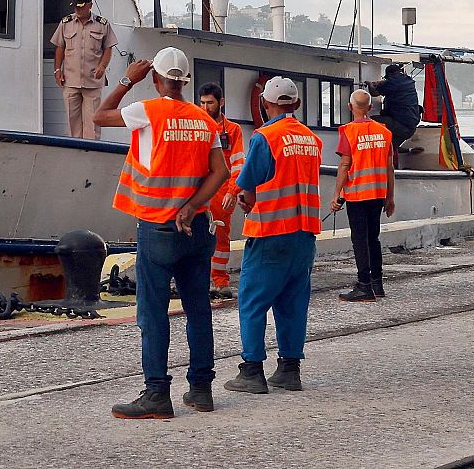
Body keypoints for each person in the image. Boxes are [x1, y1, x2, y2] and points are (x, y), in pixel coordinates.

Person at [95, 47, 229, 419]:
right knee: (198, 310)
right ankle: (201, 390)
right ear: (185, 80)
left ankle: (156, 394)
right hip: (197, 227)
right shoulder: (205, 120)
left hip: (157, 228)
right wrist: (190, 206)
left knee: (153, 315)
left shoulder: (147, 111)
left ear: (155, 79)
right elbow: (220, 173)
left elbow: (99, 115)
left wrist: (126, 81)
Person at [224, 76, 323, 395]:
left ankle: (252, 371)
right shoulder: (312, 139)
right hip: (304, 234)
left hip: (270, 232)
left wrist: (245, 196)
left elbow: (249, 179)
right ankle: (289, 370)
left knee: (252, 302)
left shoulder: (265, 137)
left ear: (265, 104)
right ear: (296, 104)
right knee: (293, 303)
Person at [331, 90, 397, 302]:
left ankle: (363, 285)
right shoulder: (384, 133)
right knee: (373, 238)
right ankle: (377, 284)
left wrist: (336, 195)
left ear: (350, 107)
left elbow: (344, 165)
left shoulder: (348, 131)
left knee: (360, 240)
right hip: (378, 193)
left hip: (358, 194)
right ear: (370, 108)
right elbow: (390, 168)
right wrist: (390, 197)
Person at [197, 83, 246, 299]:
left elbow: (238, 163)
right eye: (202, 103)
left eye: (210, 103)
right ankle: (197, 279)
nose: (206, 107)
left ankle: (219, 280)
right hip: (198, 188)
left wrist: (232, 192)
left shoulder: (233, 130)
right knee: (194, 234)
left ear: (221, 103)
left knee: (220, 236)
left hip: (222, 191)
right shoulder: (197, 126)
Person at [50, 0, 117, 139]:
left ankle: (91, 154)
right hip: (71, 80)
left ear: (90, 5)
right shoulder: (66, 23)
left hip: (92, 81)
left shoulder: (102, 24)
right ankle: (75, 153)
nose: (77, 9)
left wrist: (102, 66)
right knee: (72, 123)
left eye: (81, 6)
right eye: (75, 7)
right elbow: (60, 47)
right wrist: (57, 70)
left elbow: (108, 47)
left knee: (93, 123)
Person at [365, 63, 421, 150]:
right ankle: (407, 150)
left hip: (401, 125)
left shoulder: (392, 83)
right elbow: (391, 83)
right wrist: (380, 82)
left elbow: (374, 93)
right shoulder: (408, 80)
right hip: (411, 127)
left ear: (390, 75)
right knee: (390, 148)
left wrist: (370, 85)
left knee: (368, 121)